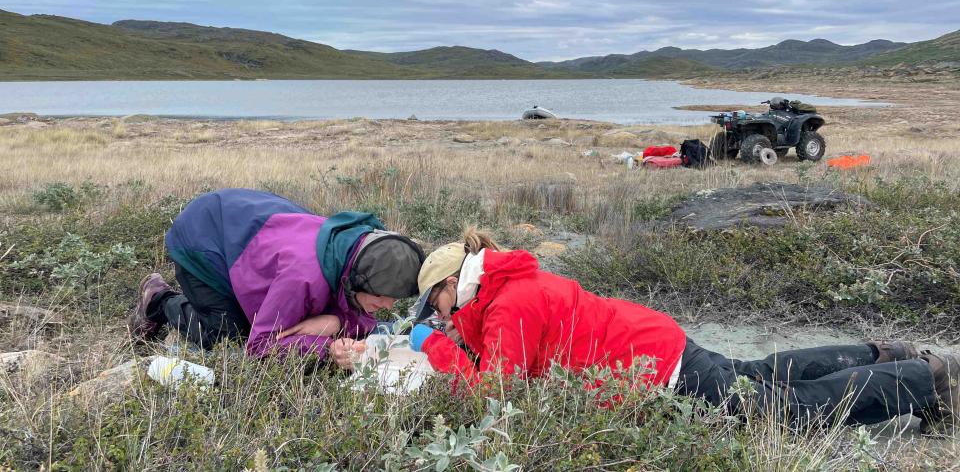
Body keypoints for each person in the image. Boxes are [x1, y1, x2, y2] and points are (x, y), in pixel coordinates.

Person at [407, 228, 959, 427]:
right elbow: (516, 360)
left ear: (455, 283)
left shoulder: (507, 306)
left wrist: (435, 347)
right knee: (761, 375)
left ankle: (927, 379)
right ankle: (885, 353)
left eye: (437, 303)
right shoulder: (508, 289)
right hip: (656, 343)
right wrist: (462, 339)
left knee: (781, 410)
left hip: (658, 368)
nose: (440, 315)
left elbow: (496, 393)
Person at [127, 188, 424, 364]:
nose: (387, 306)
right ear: (358, 279)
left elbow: (352, 309)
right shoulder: (303, 278)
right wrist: (327, 348)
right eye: (381, 297)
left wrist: (337, 321)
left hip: (245, 225)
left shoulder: (360, 254)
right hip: (203, 239)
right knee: (231, 335)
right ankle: (159, 300)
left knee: (293, 319)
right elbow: (261, 345)